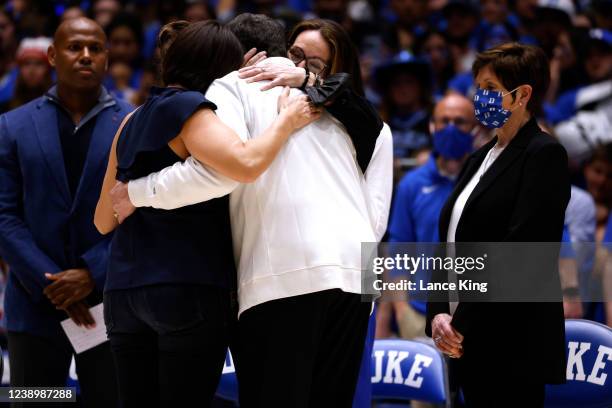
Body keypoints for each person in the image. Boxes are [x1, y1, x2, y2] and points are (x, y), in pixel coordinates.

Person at [109, 13, 393, 407]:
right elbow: (373, 211)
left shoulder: (232, 86)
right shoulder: (341, 105)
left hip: (283, 274)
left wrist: (138, 192)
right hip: (355, 275)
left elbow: (223, 172)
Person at [94, 20, 319, 407]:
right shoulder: (192, 109)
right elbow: (245, 164)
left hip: (122, 294)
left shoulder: (129, 119)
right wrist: (286, 121)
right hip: (187, 285)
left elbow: (102, 220)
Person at [426, 43, 570, 406]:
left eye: (490, 88)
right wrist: (439, 311)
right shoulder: (478, 158)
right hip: (467, 337)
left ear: (522, 95)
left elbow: (520, 253)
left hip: (511, 341)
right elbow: (448, 244)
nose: (480, 97)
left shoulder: (543, 154)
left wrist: (460, 324)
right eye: (478, 87)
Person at [0, 17, 131, 407]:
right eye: (75, 47)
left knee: (107, 401)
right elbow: (4, 216)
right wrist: (52, 282)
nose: (86, 55)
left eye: (95, 48)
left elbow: (143, 212)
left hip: (109, 305)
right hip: (35, 303)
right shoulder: (12, 126)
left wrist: (92, 274)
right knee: (39, 401)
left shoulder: (133, 122)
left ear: (107, 57)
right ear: (54, 56)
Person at [380, 94, 476, 341]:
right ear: (432, 127)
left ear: (475, 129)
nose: (451, 128)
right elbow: (398, 252)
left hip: (477, 313)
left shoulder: (486, 180)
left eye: (460, 121)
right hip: (421, 316)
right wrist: (402, 311)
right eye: (444, 121)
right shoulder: (412, 185)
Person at [4, 37, 54, 111]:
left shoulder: (60, 107)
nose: (32, 71)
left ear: (49, 69)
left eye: (39, 64)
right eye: (26, 64)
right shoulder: (5, 108)